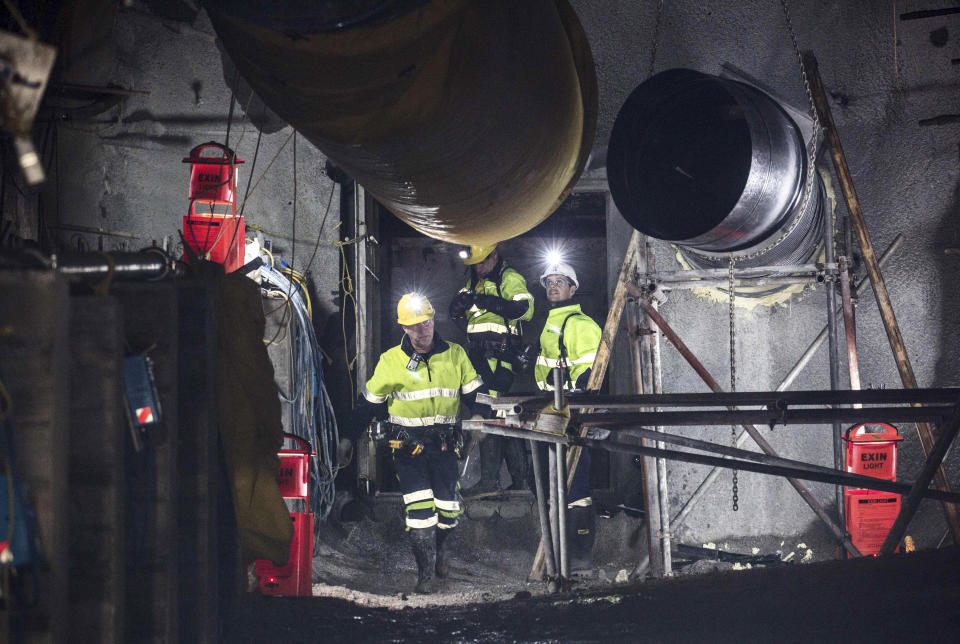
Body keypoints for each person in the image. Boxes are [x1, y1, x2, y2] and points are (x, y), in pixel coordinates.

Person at [348, 292, 488, 593]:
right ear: (404, 328)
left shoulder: (455, 354)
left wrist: (479, 417)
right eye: (413, 326)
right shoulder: (391, 361)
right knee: (421, 513)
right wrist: (348, 436)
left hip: (446, 446)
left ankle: (441, 551)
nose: (420, 331)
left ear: (433, 320)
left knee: (449, 511)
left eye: (425, 323)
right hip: (408, 449)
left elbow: (478, 394)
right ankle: (425, 574)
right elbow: (368, 405)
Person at [449, 243, 534, 497]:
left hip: (499, 360)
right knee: (500, 416)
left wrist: (489, 301)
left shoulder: (509, 278)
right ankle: (519, 481)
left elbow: (524, 310)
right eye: (474, 263)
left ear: (495, 255)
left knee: (488, 414)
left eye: (483, 261)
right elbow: (457, 310)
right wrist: (457, 305)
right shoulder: (474, 280)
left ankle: (489, 482)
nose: (478, 267)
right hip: (476, 361)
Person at [535, 260, 601, 573]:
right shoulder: (552, 324)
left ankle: (579, 557)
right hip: (553, 412)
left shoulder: (580, 324)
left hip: (572, 413)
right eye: (549, 282)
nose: (553, 286)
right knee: (555, 483)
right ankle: (562, 555)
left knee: (575, 486)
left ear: (573, 289)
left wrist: (555, 382)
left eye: (560, 281)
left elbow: (589, 379)